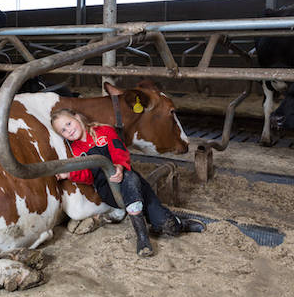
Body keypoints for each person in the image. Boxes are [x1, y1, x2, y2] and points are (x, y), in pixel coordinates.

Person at [51, 108, 205, 257]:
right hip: (108, 190)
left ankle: (180, 224)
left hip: (127, 178)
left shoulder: (104, 131)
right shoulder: (74, 150)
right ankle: (142, 236)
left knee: (168, 226)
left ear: (77, 117)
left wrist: (119, 166)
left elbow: (119, 152)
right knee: (135, 190)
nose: (68, 130)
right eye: (63, 131)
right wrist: (70, 173)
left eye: (69, 124)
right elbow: (88, 176)